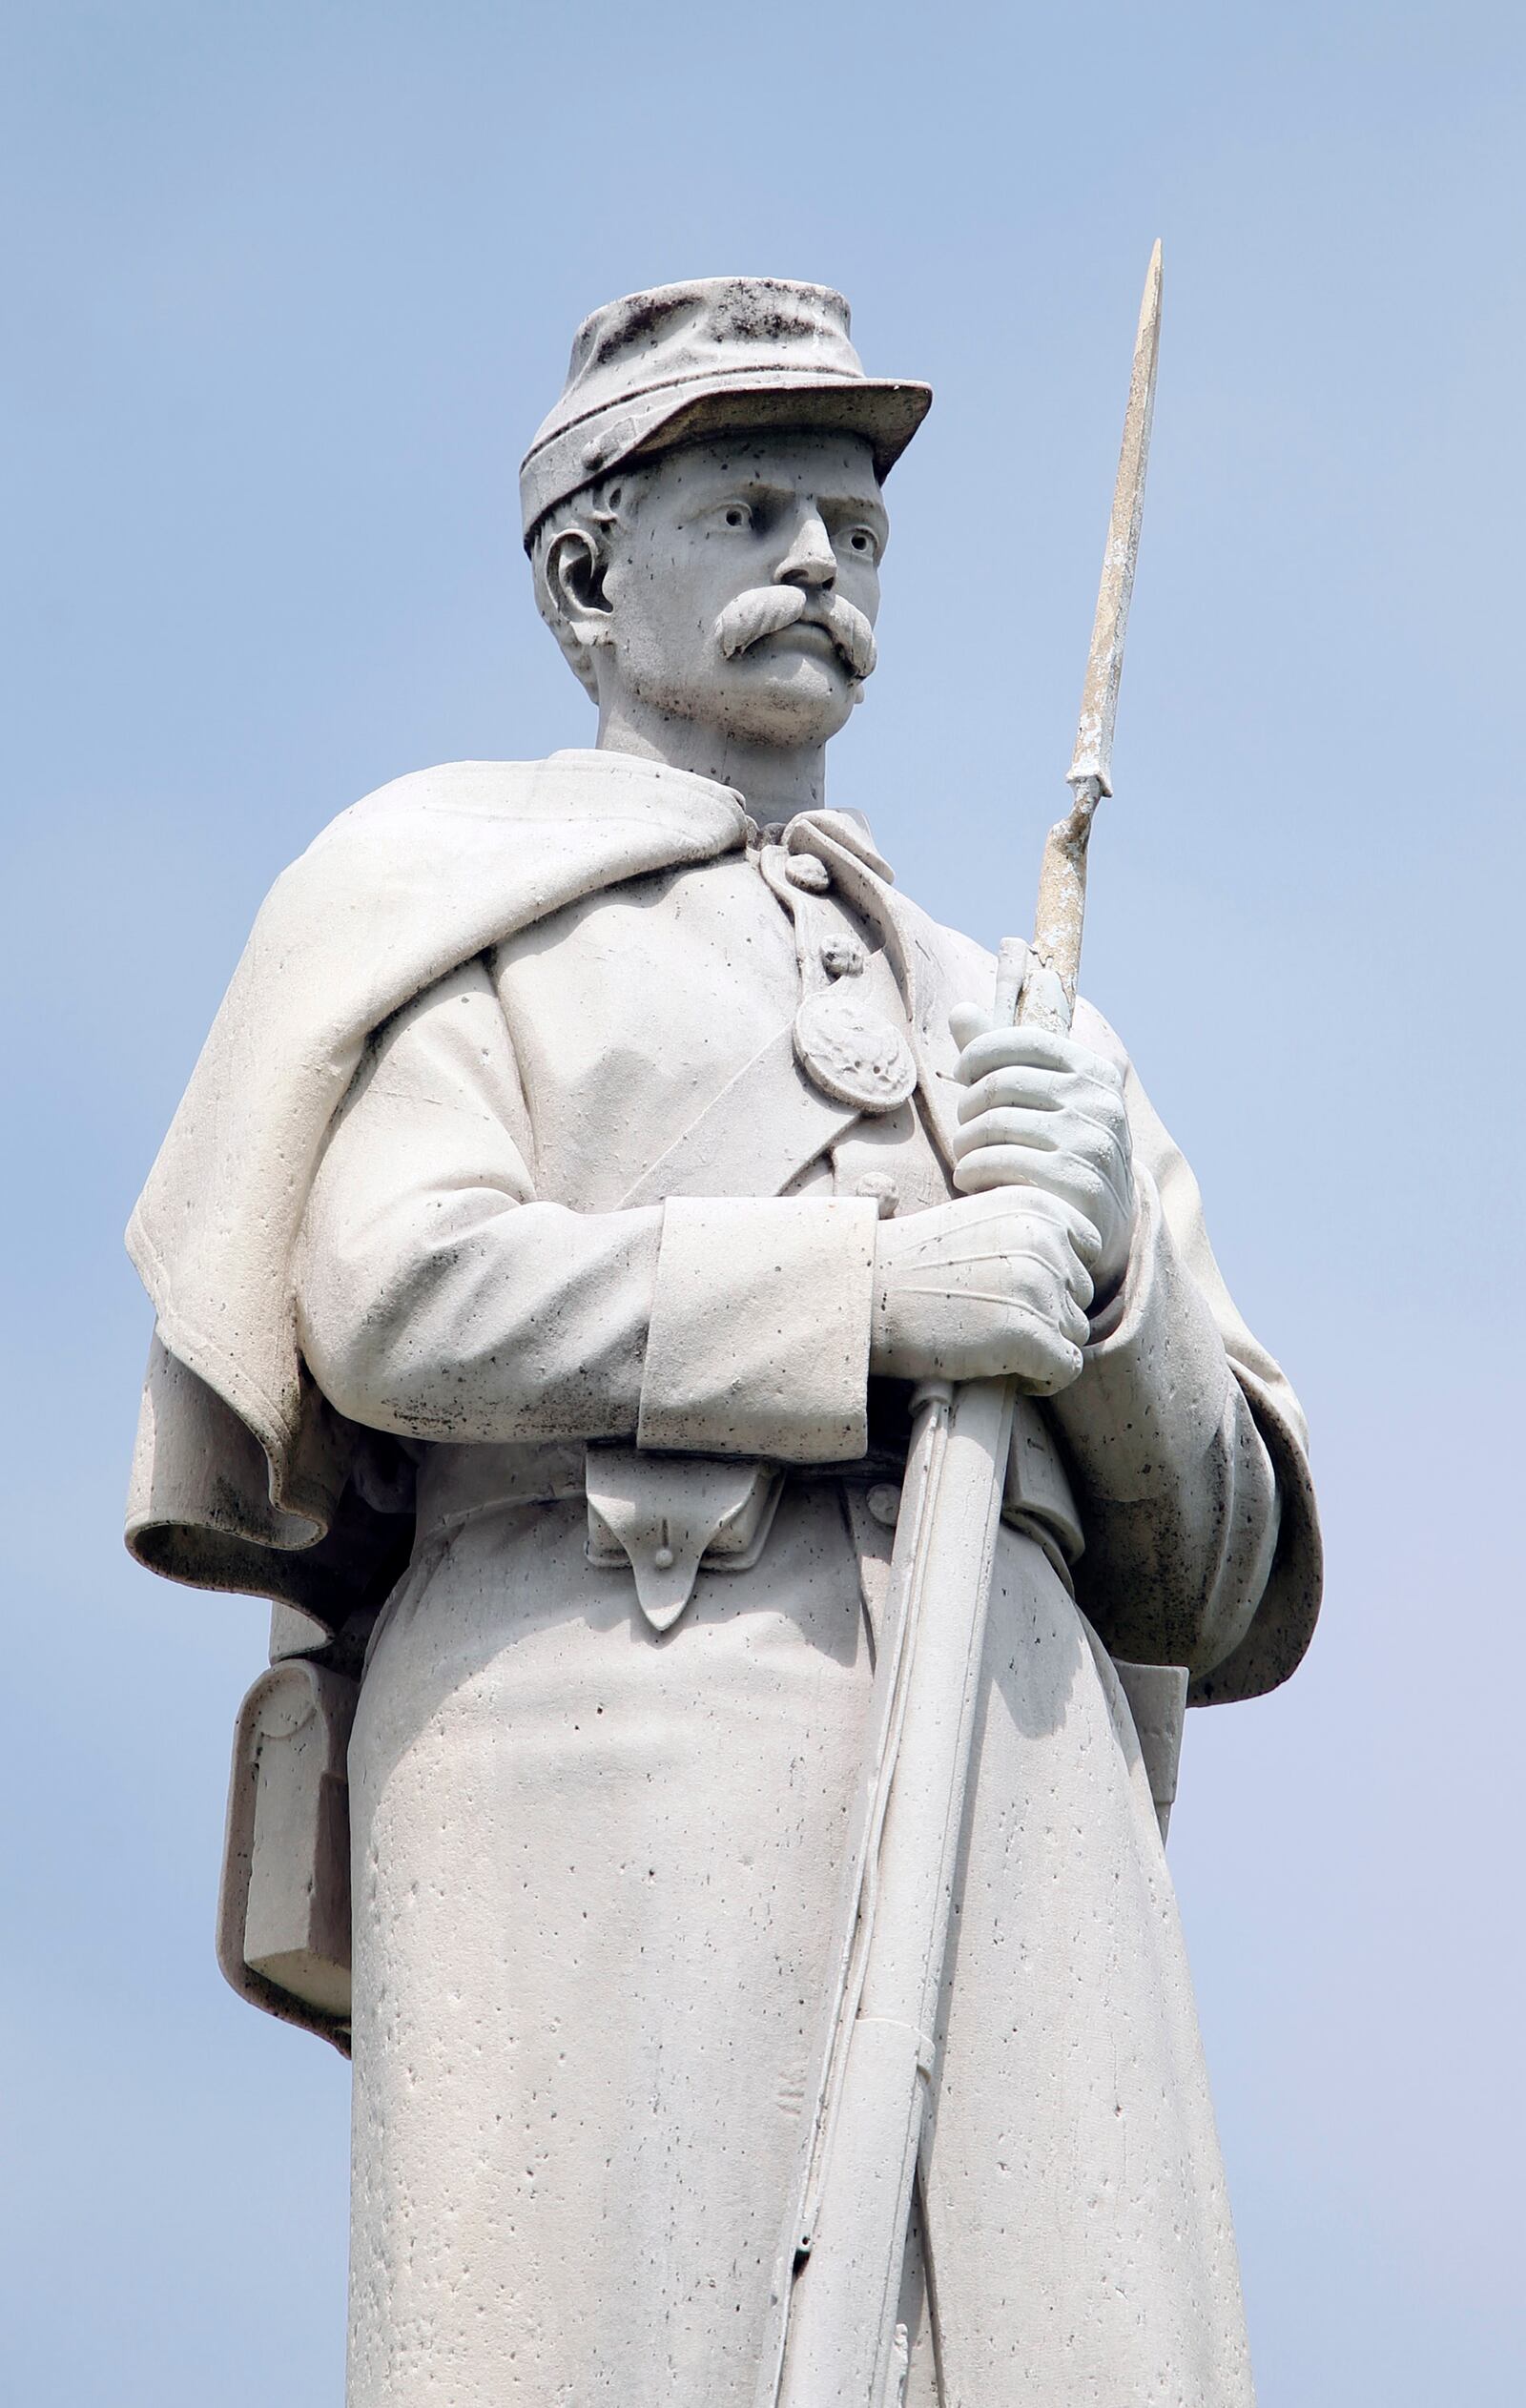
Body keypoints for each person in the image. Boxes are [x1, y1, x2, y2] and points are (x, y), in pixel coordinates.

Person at [126, 278, 1320, 2407]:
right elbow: (395, 1296)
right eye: (754, 511)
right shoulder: (451, 918)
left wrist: (1107, 1290)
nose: (816, 569)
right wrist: (876, 1302)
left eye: (854, 536)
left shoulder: (1014, 1017)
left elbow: (1219, 1565)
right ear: (586, 574)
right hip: (600, 1744)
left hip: (1006, 1790)